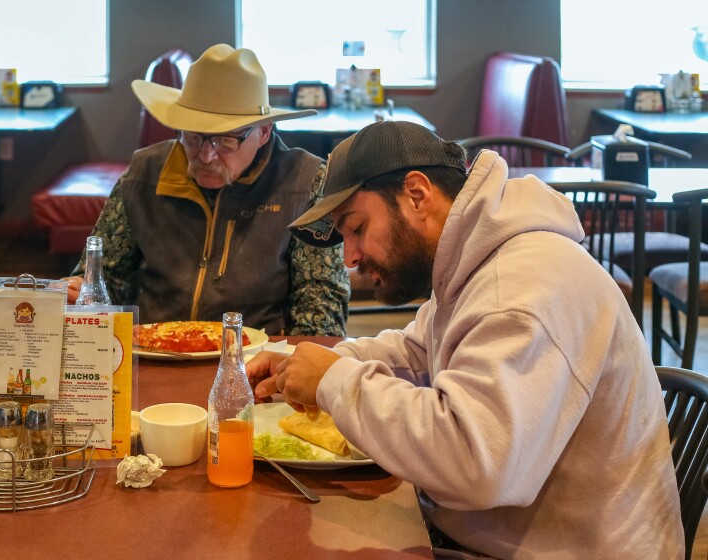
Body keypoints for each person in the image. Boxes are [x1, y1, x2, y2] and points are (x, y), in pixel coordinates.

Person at [247, 120, 684, 558]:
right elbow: (418, 352)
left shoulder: (519, 288)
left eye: (357, 228)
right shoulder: (477, 259)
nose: (351, 258)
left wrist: (335, 381)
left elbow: (477, 464)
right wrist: (307, 363)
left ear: (417, 195)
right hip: (490, 534)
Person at [64, 44, 349, 336]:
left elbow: (321, 304)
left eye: (225, 141)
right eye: (194, 136)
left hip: (256, 361)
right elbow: (102, 277)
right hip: (153, 351)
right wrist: (80, 293)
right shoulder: (143, 174)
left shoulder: (307, 183)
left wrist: (287, 368)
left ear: (264, 132)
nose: (206, 155)